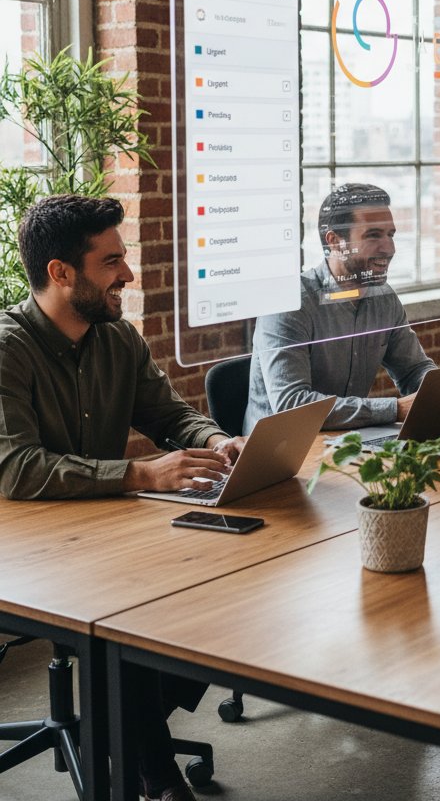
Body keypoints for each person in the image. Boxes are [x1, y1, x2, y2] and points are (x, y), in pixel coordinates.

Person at [0, 195, 244, 801]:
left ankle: (117, 740)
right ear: (61, 273)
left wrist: (216, 439)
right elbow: (16, 468)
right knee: (132, 621)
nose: (128, 276)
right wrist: (140, 475)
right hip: (27, 549)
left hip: (108, 532)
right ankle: (153, 774)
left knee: (224, 586)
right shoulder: (8, 349)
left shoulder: (119, 340)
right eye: (112, 263)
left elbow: (168, 415)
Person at [244, 183, 435, 433]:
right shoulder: (289, 303)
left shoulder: (384, 298)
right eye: (373, 235)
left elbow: (414, 370)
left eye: (391, 235)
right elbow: (292, 406)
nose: (389, 248)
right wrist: (394, 409)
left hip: (347, 442)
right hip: (282, 450)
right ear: (335, 241)